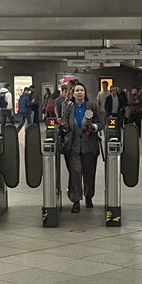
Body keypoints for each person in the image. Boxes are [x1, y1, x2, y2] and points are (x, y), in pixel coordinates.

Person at [61, 82, 102, 213]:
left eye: (82, 90)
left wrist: (94, 127)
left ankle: (89, 196)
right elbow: (64, 123)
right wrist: (63, 126)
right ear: (73, 94)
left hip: (89, 146)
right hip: (73, 146)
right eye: (77, 90)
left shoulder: (92, 106)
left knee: (89, 173)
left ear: (85, 93)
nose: (79, 92)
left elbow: (101, 123)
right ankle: (76, 200)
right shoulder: (68, 107)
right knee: (76, 173)